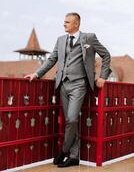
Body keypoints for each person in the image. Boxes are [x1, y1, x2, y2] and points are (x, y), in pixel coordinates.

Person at [25, 12, 111, 167]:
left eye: (67, 22)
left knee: (71, 119)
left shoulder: (89, 38)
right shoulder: (60, 40)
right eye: (64, 21)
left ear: (76, 24)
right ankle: (74, 156)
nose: (64, 24)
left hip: (79, 85)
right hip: (63, 85)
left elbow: (106, 55)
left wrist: (103, 76)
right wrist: (37, 74)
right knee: (71, 121)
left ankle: (63, 150)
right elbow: (52, 59)